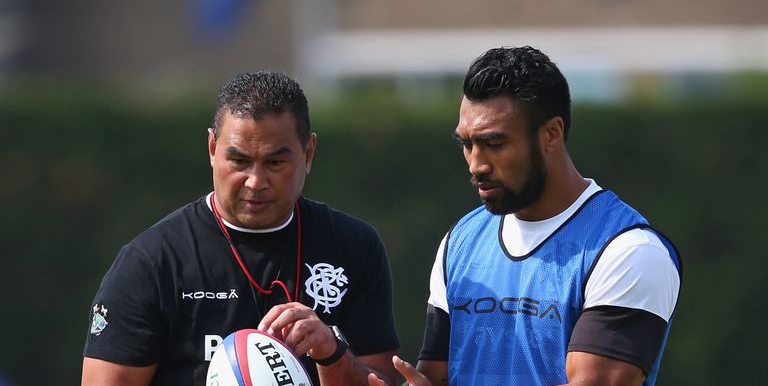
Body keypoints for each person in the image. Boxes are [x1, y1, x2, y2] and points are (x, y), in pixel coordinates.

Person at [369, 46, 681, 386]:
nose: (476, 164)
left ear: (551, 134)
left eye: (494, 143)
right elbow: (437, 377)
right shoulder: (460, 243)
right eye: (467, 144)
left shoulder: (630, 251)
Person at [82, 71, 399, 386]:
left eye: (275, 163)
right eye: (239, 161)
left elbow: (381, 380)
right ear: (211, 148)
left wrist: (330, 351)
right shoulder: (151, 263)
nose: (255, 182)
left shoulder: (354, 247)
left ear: (308, 154)